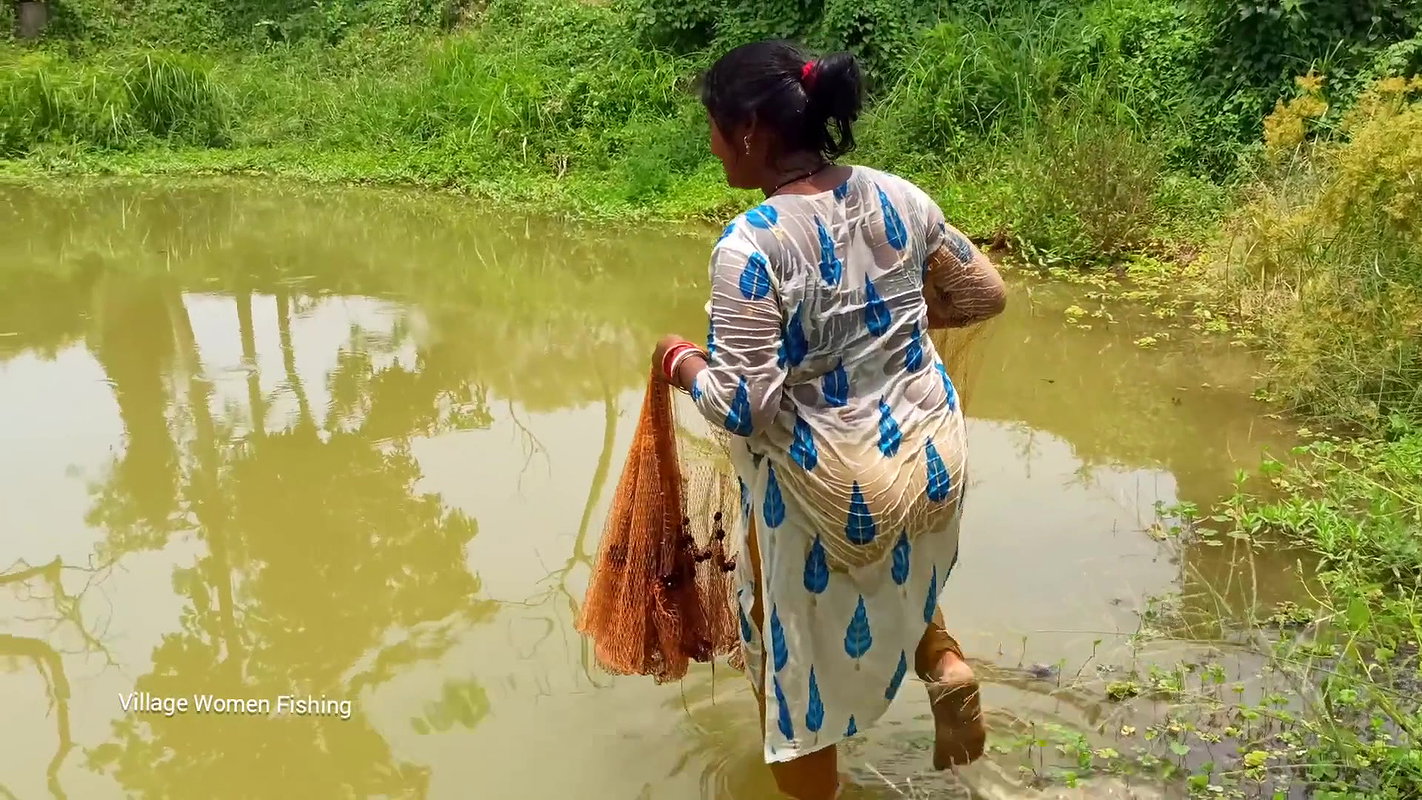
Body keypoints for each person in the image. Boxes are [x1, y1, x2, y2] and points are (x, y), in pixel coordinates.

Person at [652, 40, 1008, 800]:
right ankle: (943, 664)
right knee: (892, 571)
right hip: (931, 461)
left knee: (794, 685)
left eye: (714, 126)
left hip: (834, 492)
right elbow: (983, 294)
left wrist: (680, 361)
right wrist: (885, 329)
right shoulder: (901, 197)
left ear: (750, 129)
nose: (712, 144)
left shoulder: (752, 246)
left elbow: (745, 408)